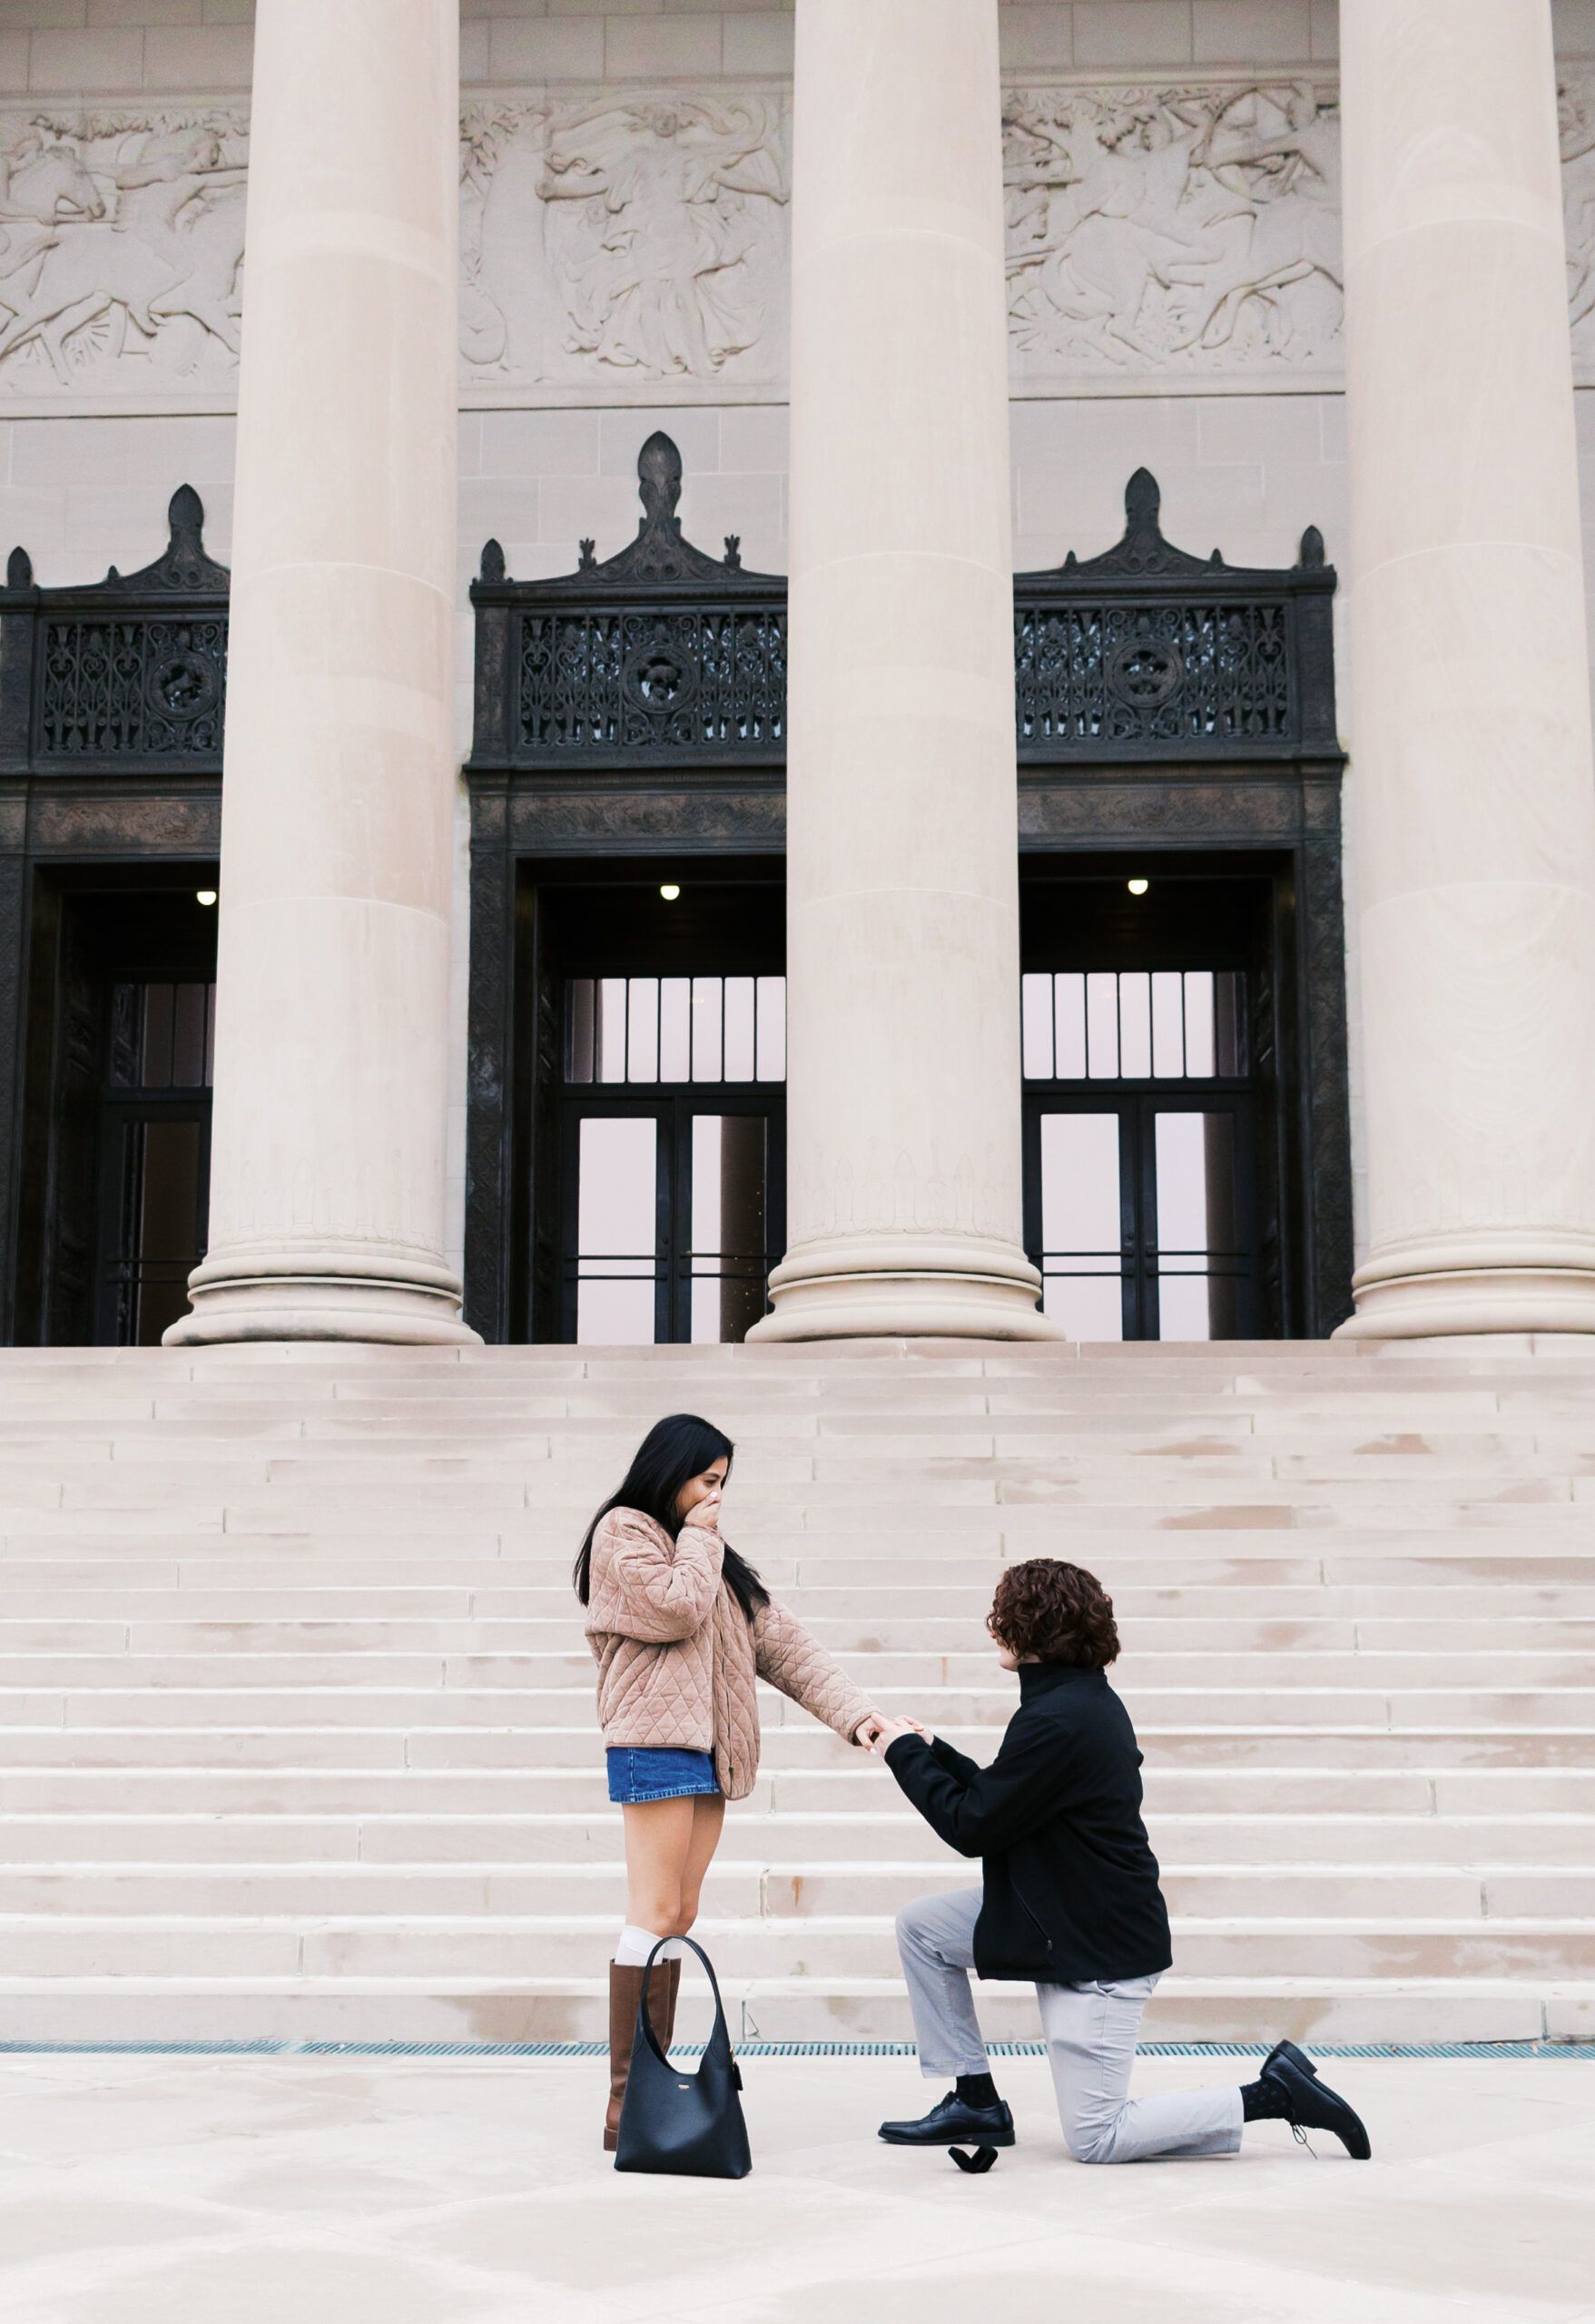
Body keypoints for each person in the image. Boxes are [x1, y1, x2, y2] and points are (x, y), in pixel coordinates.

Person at [871, 1558, 1370, 2168]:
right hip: (1060, 1913)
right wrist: (932, 1752)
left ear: (1030, 1628)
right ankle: (972, 2097)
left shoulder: (1059, 1717)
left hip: (1097, 1948)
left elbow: (973, 1827)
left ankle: (1274, 2093)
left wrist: (902, 1756)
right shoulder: (1070, 1705)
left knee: (1097, 2137)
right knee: (924, 1926)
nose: (992, 1629)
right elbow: (1006, 1802)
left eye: (1001, 1617)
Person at [576, 1411, 886, 2149]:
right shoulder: (625, 1533)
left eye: (724, 1485)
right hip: (653, 1741)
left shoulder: (707, 1554)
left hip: (708, 1750)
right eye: (707, 1482)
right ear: (670, 1472)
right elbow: (675, 1610)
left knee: (678, 1913)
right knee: (652, 1908)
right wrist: (703, 1536)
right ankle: (626, 2103)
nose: (717, 1497)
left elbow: (783, 1645)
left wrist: (860, 1717)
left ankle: (645, 2085)